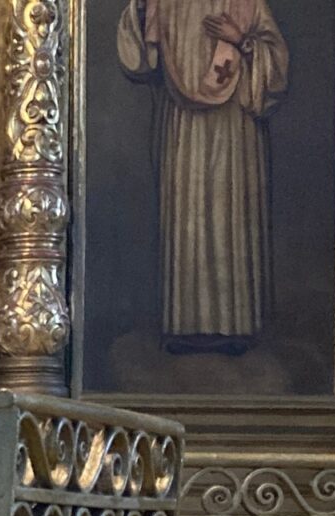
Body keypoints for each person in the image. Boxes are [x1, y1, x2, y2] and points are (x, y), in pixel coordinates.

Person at [119, 0, 286, 355]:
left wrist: (243, 42)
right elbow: (140, 59)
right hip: (182, 128)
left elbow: (276, 62)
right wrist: (142, 12)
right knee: (186, 218)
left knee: (230, 216)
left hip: (235, 129)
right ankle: (184, 325)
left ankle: (235, 325)